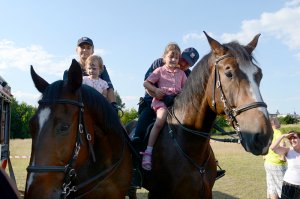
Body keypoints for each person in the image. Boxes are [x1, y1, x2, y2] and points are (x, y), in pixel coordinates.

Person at [140, 43, 187, 170]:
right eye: (171, 56)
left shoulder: (182, 74)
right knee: (160, 121)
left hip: (177, 104)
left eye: (176, 57)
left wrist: (182, 93)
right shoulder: (159, 71)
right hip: (162, 103)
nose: (173, 59)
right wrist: (156, 90)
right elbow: (146, 83)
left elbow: (187, 89)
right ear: (164, 57)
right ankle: (148, 152)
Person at [63, 37, 118, 111]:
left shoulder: (101, 68)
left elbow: (109, 89)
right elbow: (67, 94)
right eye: (82, 47)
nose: (85, 50)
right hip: (78, 109)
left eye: (88, 48)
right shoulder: (69, 72)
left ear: (92, 51)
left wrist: (113, 105)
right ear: (76, 50)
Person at [270, 131, 300, 199]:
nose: (292, 140)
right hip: (289, 185)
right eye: (290, 138)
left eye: (294, 137)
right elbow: (273, 148)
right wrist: (283, 136)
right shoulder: (288, 150)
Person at [264, 117, 287, 199]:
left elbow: (263, 148)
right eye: (278, 121)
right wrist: (283, 157)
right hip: (277, 164)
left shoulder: (267, 133)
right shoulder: (278, 133)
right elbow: (282, 146)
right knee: (283, 188)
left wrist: (265, 156)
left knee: (271, 187)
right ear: (273, 122)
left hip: (268, 163)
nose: (279, 122)